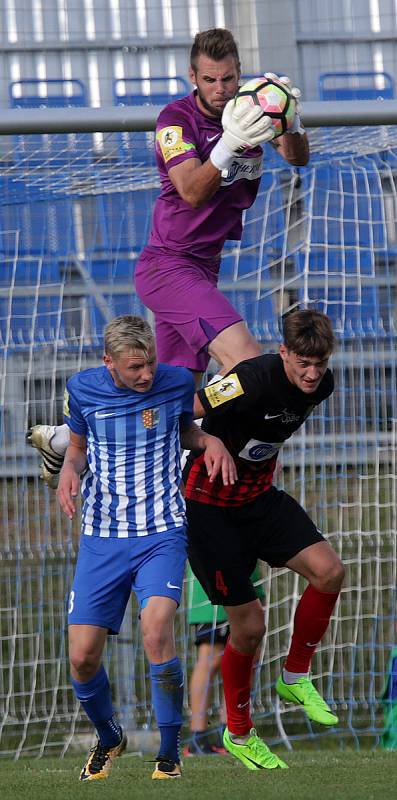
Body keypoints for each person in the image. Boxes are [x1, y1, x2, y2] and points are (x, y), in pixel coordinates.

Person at [56, 314, 236, 782]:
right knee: (81, 657)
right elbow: (76, 448)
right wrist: (69, 471)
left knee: (157, 630)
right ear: (108, 363)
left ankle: (169, 750)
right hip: (102, 536)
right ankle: (109, 736)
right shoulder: (83, 389)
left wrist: (209, 439)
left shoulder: (175, 383)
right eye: (135, 366)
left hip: (161, 530)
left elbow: (186, 431)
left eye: (150, 363)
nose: (146, 374)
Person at [183, 309, 345, 771]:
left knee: (330, 571)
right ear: (284, 353)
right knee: (250, 627)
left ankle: (295, 677)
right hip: (210, 509)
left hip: (258, 501)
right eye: (303, 364)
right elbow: (184, 413)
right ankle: (238, 733)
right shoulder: (249, 379)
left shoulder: (324, 386)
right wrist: (208, 442)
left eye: (321, 363)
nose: (313, 374)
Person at [134, 27, 309, 386]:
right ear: (193, 77)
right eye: (210, 79)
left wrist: (291, 121)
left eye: (228, 78)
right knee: (249, 364)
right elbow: (191, 192)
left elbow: (297, 158)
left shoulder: (251, 109)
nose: (220, 89)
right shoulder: (175, 121)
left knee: (175, 394)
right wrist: (229, 144)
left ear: (239, 72)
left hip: (204, 268)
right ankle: (233, 431)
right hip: (168, 266)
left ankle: (70, 437)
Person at [184, 563, 265, 756]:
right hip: (215, 577)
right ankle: (198, 737)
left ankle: (231, 731)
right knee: (211, 656)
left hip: (248, 577)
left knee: (247, 658)